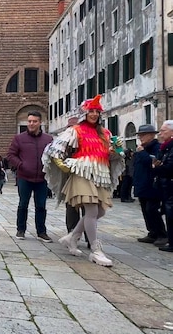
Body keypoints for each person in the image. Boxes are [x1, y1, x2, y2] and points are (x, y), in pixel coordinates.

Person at [43, 94, 124, 266]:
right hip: (82, 171)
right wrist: (61, 162)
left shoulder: (106, 133)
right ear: (84, 113)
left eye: (96, 111)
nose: (94, 114)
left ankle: (72, 237)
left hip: (100, 173)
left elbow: (112, 155)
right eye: (91, 111)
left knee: (100, 211)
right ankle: (96, 250)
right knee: (92, 211)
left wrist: (114, 151)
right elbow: (55, 147)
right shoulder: (76, 130)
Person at [6, 111, 53, 242]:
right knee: (23, 205)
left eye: (34, 121)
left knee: (41, 206)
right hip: (24, 177)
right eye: (30, 121)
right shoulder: (19, 138)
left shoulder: (48, 139)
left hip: (42, 178)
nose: (31, 124)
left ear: (40, 122)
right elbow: (11, 155)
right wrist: (21, 165)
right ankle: (21, 230)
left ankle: (41, 232)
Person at [133, 124, 167, 246]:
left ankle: (162, 234)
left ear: (152, 135)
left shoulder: (157, 148)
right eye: (140, 135)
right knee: (145, 210)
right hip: (142, 184)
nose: (141, 137)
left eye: (143, 135)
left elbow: (153, 163)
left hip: (152, 185)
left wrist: (141, 153)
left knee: (152, 209)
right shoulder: (142, 148)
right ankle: (152, 232)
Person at [152, 121, 173, 252]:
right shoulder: (165, 147)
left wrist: (158, 167)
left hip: (170, 185)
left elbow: (169, 167)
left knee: (171, 215)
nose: (160, 134)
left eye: (163, 131)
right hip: (166, 186)